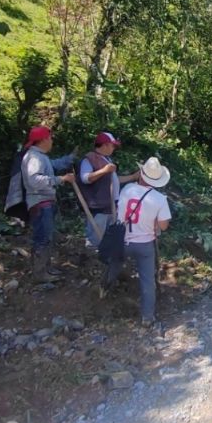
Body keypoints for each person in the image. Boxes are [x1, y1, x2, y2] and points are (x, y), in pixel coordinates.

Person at [105, 157, 172, 326]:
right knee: (147, 280)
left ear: (141, 173)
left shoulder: (127, 189)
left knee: (114, 264)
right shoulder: (160, 199)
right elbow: (163, 226)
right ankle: (147, 317)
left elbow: (120, 209)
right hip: (145, 245)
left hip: (122, 241)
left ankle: (104, 287)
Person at [21, 126, 76, 282]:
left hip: (44, 202)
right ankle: (40, 273)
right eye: (50, 138)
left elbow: (53, 165)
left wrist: (70, 158)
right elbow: (35, 180)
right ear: (43, 140)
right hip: (40, 202)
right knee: (42, 238)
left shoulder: (40, 156)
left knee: (46, 236)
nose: (52, 141)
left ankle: (45, 268)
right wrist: (61, 179)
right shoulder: (34, 158)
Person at [78, 132, 138, 248]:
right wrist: (104, 171)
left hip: (110, 206)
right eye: (112, 145)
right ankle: (91, 262)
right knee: (95, 239)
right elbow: (85, 178)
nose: (114, 148)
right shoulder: (90, 159)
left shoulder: (106, 159)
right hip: (98, 207)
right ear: (105, 145)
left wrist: (132, 177)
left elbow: (113, 179)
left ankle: (103, 261)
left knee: (107, 238)